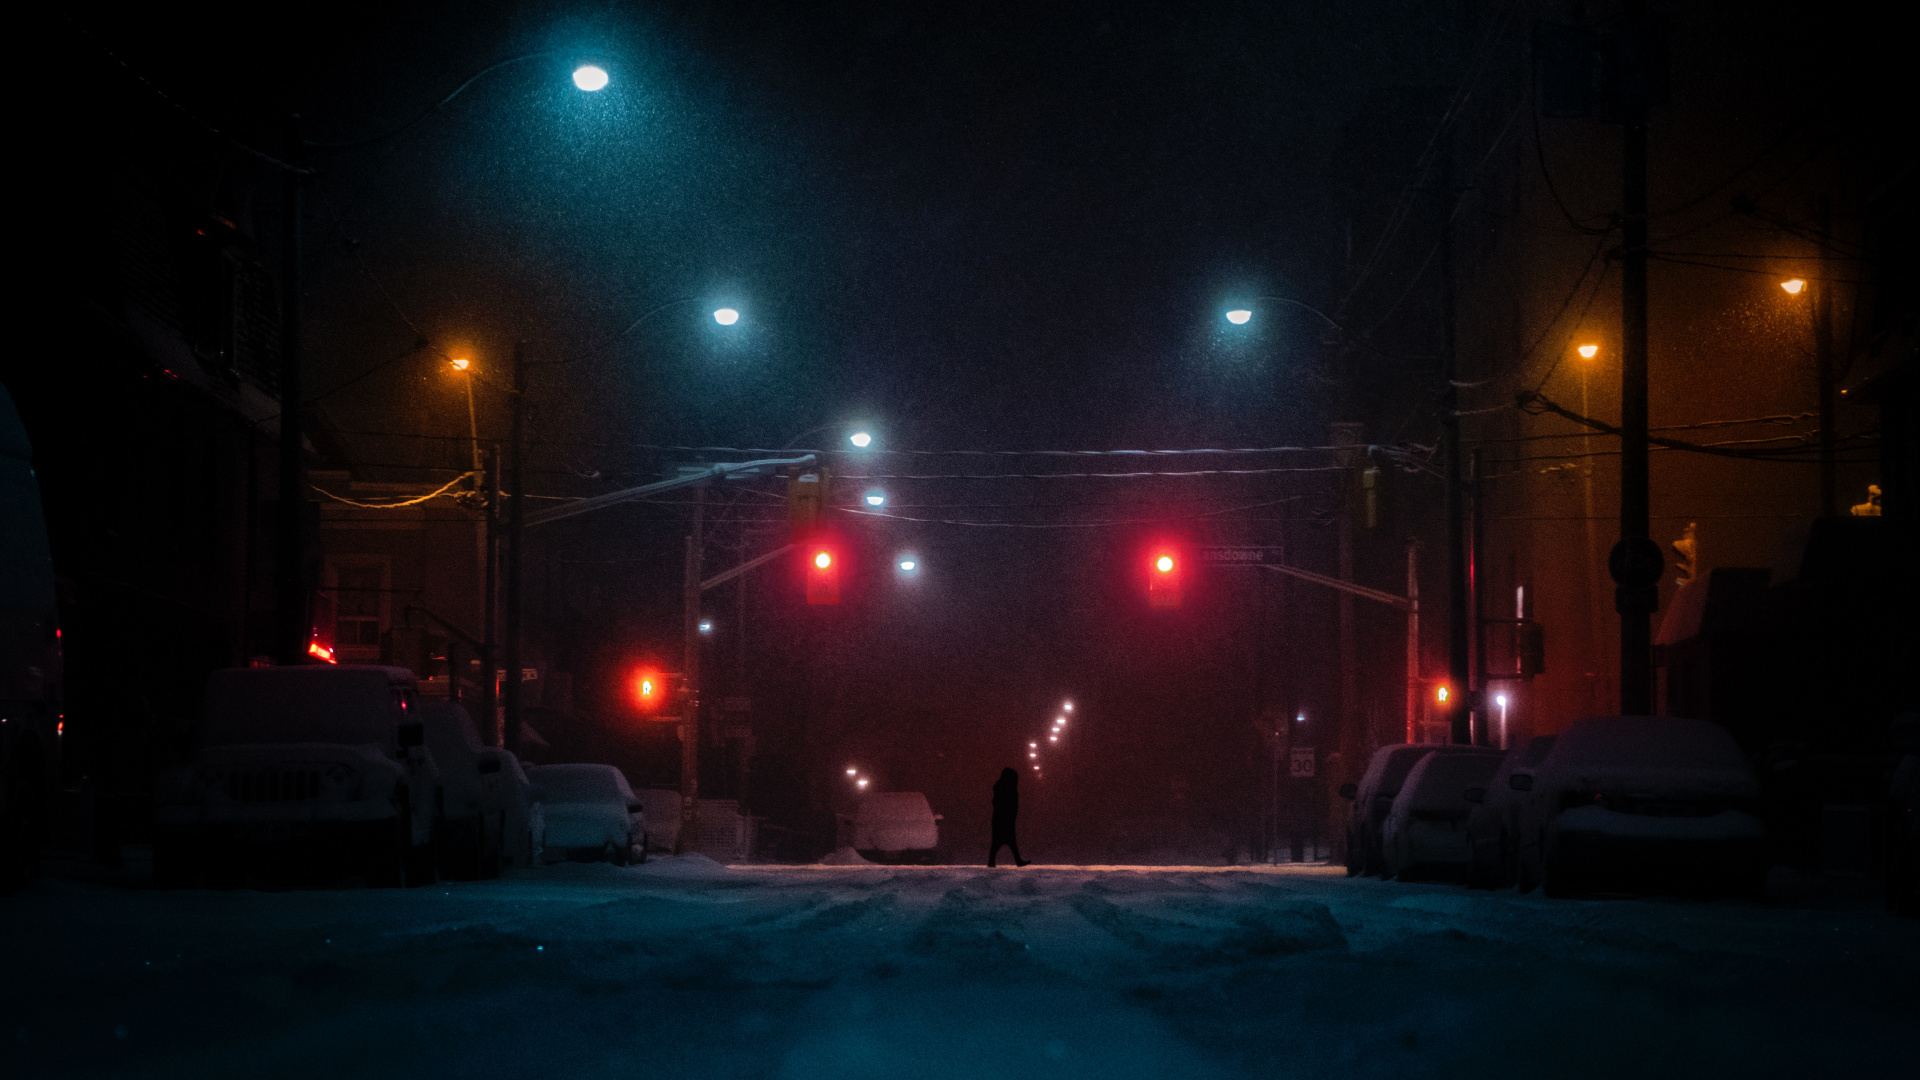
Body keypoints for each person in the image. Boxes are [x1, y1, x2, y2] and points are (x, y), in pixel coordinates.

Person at [987, 767, 1029, 867]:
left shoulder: (1000, 787)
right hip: (1005, 818)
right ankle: (1017, 861)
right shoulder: (1007, 788)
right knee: (1008, 840)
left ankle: (992, 861)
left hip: (1000, 818)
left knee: (998, 841)